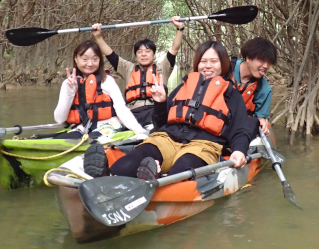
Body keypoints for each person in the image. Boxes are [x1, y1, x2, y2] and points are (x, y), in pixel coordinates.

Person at [83, 40, 254, 179]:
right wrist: (160, 102)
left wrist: (239, 150)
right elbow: (160, 123)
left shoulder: (231, 94)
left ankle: (154, 176)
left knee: (182, 169)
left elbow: (241, 128)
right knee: (136, 156)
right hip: (168, 138)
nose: (207, 66)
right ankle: (107, 174)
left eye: (214, 61)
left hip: (203, 145)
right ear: (197, 63)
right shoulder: (184, 87)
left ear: (223, 64)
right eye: (203, 61)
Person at [91, 17, 185, 126]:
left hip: (155, 111)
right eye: (140, 52)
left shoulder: (162, 67)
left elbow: (174, 49)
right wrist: (98, 37)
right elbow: (110, 54)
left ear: (154, 55)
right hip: (132, 112)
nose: (143, 54)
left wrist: (179, 29)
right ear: (136, 56)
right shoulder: (128, 68)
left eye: (147, 51)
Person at [53, 40, 146, 138]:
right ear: (76, 59)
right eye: (85, 59)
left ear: (100, 60)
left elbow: (121, 109)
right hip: (82, 128)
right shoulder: (68, 83)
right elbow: (59, 119)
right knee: (72, 137)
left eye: (94, 59)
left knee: (93, 138)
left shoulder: (107, 80)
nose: (90, 64)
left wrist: (137, 128)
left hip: (108, 126)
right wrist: (70, 92)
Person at [231, 37, 277, 135]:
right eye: (262, 60)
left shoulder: (264, 89)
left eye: (269, 62)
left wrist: (262, 120)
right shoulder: (225, 69)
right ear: (248, 58)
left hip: (239, 129)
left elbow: (260, 116)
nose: (265, 66)